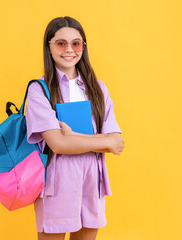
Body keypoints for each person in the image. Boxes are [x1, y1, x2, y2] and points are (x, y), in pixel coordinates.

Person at [25, 16, 125, 240]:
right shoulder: (39, 90)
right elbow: (58, 144)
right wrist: (103, 140)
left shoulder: (98, 88)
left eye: (76, 43)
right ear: (48, 47)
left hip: (93, 183)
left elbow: (116, 143)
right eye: (61, 43)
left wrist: (73, 136)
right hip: (57, 183)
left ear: (83, 47)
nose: (69, 49)